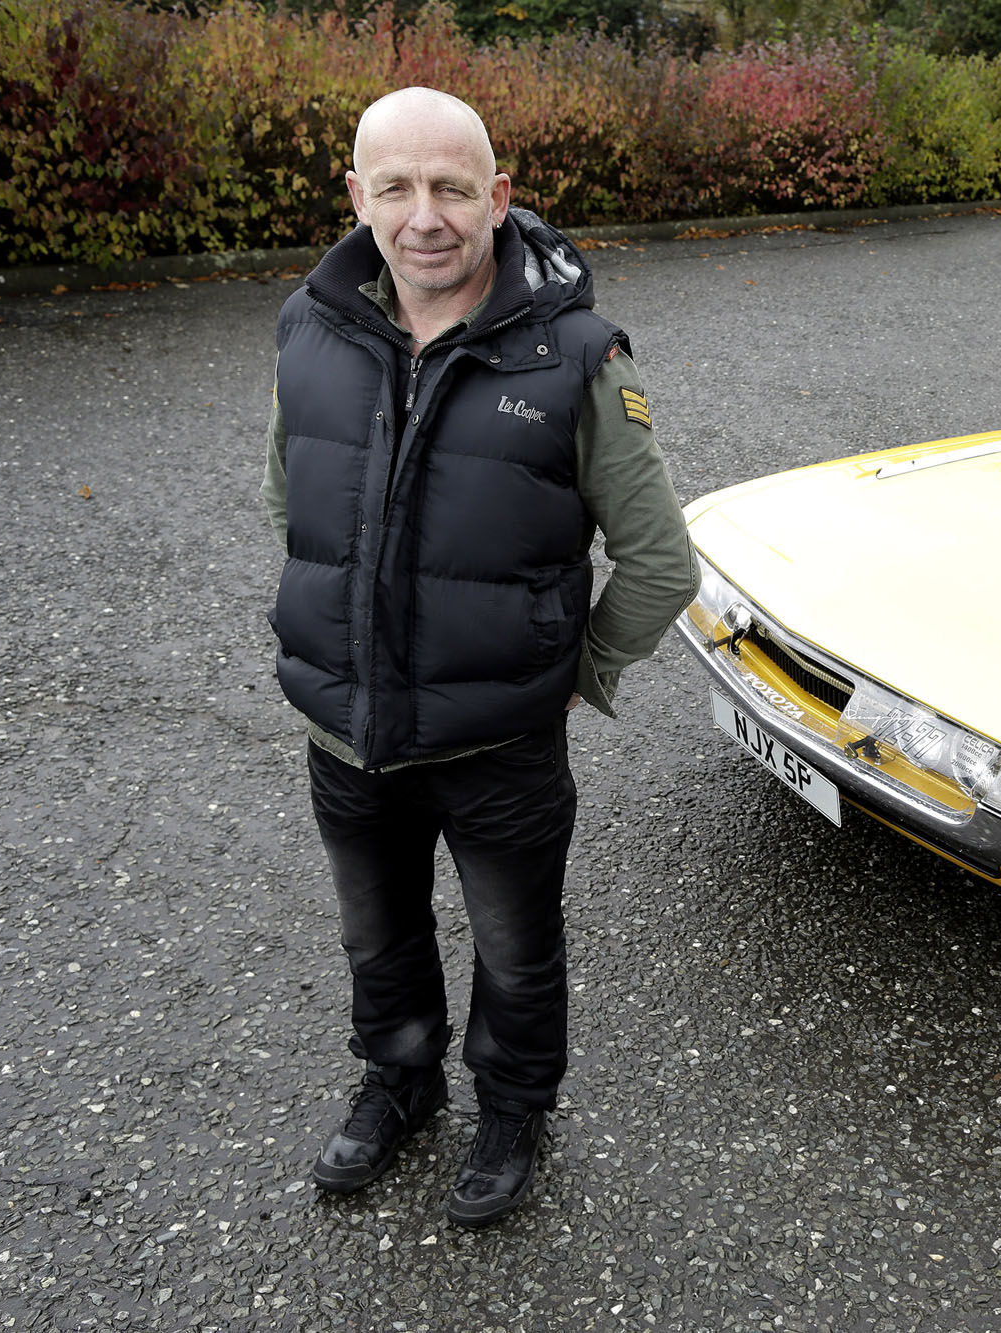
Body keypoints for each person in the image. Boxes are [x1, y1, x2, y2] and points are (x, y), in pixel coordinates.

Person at [260, 86, 697, 1226]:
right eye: (394, 187)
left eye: (452, 186)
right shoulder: (308, 329)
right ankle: (398, 1078)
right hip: (345, 731)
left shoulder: (580, 356)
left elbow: (659, 565)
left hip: (501, 746)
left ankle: (511, 1107)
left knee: (515, 945)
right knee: (376, 931)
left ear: (497, 199)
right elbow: (290, 499)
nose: (424, 216)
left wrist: (569, 672)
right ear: (356, 197)